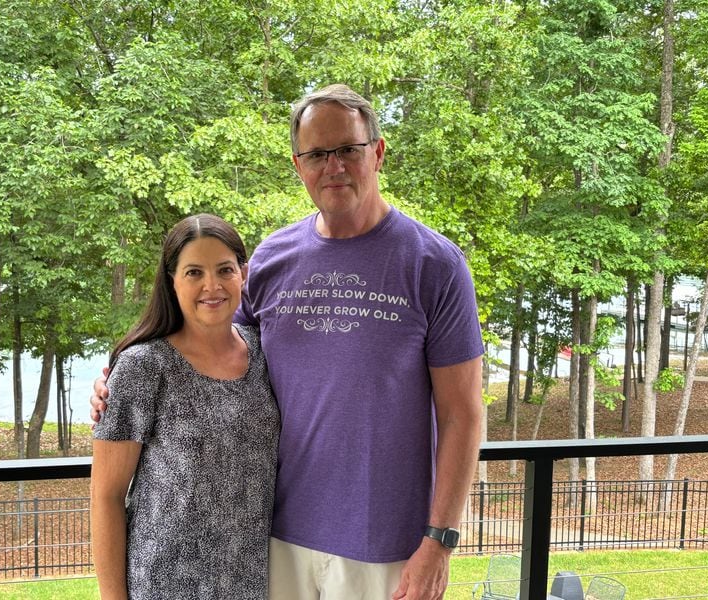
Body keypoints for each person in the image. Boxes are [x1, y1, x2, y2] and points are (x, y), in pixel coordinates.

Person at [92, 84, 483, 600]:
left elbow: (463, 413)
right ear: (298, 166)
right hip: (273, 541)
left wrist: (440, 540)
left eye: (348, 149)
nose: (334, 166)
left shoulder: (435, 265)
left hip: (385, 544)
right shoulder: (274, 258)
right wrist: (116, 376)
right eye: (317, 154)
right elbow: (217, 341)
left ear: (379, 152)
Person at [90, 214, 280, 600]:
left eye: (225, 270)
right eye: (194, 272)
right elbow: (105, 496)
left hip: (251, 583)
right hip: (164, 583)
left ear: (243, 275)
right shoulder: (143, 366)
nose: (212, 285)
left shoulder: (266, 350)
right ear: (172, 280)